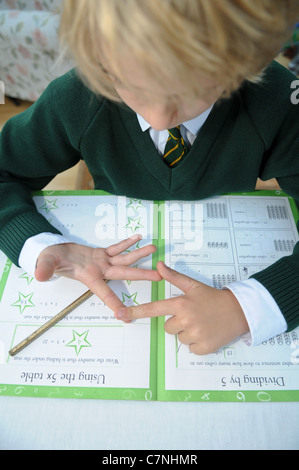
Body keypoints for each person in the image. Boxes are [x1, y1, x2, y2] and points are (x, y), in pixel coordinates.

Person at [0, 0, 299, 355]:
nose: (158, 119)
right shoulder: (77, 96)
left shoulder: (278, 100)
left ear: (244, 61)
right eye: (125, 83)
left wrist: (250, 306)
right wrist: (38, 243)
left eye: (189, 91)